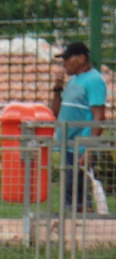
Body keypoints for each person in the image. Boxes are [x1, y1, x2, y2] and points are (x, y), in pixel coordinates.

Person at [49, 41, 107, 213]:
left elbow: (99, 116)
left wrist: (89, 149)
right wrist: (57, 89)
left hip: (80, 146)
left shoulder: (94, 80)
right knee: (70, 190)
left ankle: (84, 229)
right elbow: (57, 112)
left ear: (81, 58)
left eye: (67, 59)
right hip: (68, 145)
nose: (64, 64)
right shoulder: (74, 81)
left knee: (77, 190)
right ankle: (77, 227)